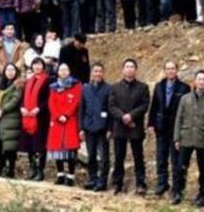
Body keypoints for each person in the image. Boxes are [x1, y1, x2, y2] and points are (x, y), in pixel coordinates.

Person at [170, 70, 204, 208]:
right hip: (186, 137)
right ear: (195, 81)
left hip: (203, 139)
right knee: (180, 167)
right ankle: (178, 192)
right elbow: (179, 118)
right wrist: (176, 138)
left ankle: (202, 194)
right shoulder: (185, 98)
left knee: (203, 169)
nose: (202, 81)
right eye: (199, 79)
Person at [149, 60, 190, 197]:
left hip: (176, 129)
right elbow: (154, 106)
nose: (170, 71)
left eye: (173, 68)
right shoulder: (159, 86)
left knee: (176, 160)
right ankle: (162, 183)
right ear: (164, 71)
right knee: (161, 157)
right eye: (168, 69)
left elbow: (186, 110)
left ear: (177, 70)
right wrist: (151, 124)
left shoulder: (184, 88)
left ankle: (177, 187)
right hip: (161, 127)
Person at [109, 58, 150, 195]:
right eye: (127, 66)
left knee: (138, 157)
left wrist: (131, 116)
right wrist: (122, 117)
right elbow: (111, 106)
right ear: (123, 69)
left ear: (136, 70)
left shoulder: (143, 87)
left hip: (135, 126)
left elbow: (144, 105)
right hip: (119, 127)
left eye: (132, 66)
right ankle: (117, 183)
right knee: (119, 157)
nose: (129, 69)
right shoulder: (115, 87)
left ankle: (140, 183)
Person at [47, 62, 82, 186]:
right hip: (57, 121)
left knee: (70, 149)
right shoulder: (53, 87)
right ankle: (60, 174)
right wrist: (57, 115)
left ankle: (71, 176)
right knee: (57, 149)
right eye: (61, 70)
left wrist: (66, 115)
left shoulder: (76, 85)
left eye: (65, 69)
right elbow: (51, 103)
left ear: (69, 71)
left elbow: (76, 101)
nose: (63, 72)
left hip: (70, 120)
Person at [80, 62, 112, 191]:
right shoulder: (85, 88)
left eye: (100, 71)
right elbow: (81, 109)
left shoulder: (108, 89)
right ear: (91, 73)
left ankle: (102, 181)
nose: (98, 73)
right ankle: (93, 179)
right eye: (95, 71)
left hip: (103, 128)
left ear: (103, 73)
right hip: (89, 127)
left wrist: (110, 128)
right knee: (91, 156)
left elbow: (111, 110)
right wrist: (81, 128)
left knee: (104, 157)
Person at [0, 63, 22, 178]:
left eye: (13, 70)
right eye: (8, 70)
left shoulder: (19, 85)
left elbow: (15, 100)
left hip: (10, 118)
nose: (10, 72)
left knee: (9, 146)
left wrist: (2, 110)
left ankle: (10, 169)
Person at [20, 57, 51, 181]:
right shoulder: (29, 81)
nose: (37, 67)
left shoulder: (48, 81)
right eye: (35, 64)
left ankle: (40, 170)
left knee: (40, 145)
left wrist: (39, 109)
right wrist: (22, 107)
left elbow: (48, 98)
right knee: (30, 145)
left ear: (43, 66)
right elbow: (22, 97)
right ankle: (32, 167)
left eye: (39, 65)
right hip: (27, 116)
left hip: (41, 117)